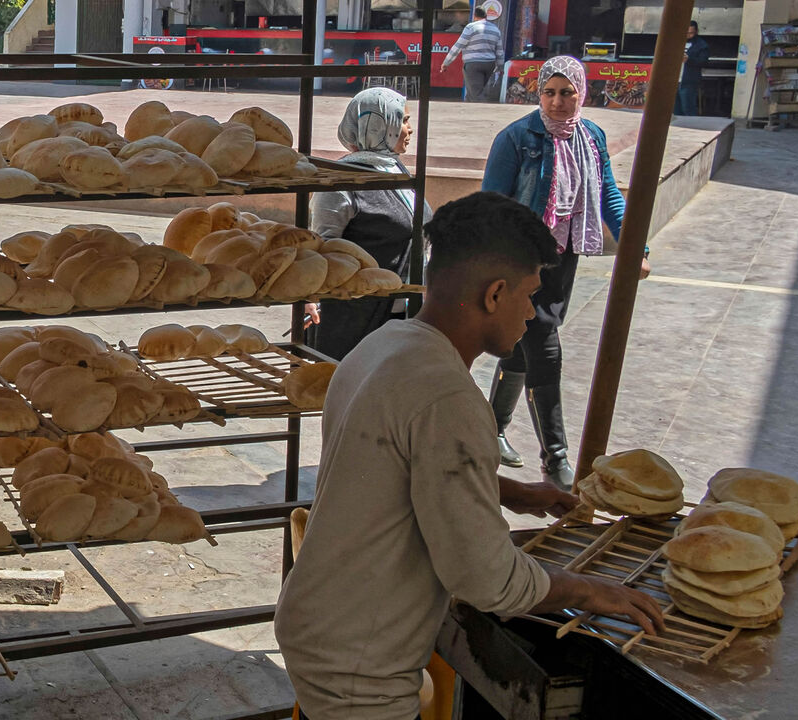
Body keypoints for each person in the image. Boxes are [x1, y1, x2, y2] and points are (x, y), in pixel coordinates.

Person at [275, 192, 664, 720]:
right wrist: (594, 593)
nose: (531, 311)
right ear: (495, 294)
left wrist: (511, 491)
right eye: (529, 294)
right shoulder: (449, 397)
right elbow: (487, 579)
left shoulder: (384, 344)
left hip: (319, 616)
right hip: (359, 662)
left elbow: (387, 464)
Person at [481, 55, 646, 489]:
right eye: (549, 92)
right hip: (521, 260)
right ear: (539, 95)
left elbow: (609, 193)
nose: (557, 102)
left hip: (563, 255)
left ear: (581, 93)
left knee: (523, 346)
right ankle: (555, 459)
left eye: (566, 92)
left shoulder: (591, 136)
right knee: (545, 348)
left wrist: (635, 247)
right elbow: (492, 205)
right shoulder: (517, 138)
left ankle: (491, 430)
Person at [303, 88, 432, 360]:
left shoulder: (396, 172)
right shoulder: (342, 183)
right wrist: (310, 298)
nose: (409, 129)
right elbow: (321, 247)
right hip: (354, 323)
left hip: (400, 315)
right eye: (402, 121)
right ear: (377, 125)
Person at [440, 7, 504, 102]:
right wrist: (501, 67)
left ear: (474, 16)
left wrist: (446, 63)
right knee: (472, 92)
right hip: (489, 64)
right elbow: (499, 51)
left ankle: (483, 114)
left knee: (476, 94)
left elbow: (458, 46)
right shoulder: (495, 29)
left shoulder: (471, 27)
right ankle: (466, 113)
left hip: (473, 64)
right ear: (486, 16)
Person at [675, 21, 710, 116]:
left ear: (696, 32)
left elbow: (704, 61)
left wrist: (689, 60)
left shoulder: (701, 45)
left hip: (688, 81)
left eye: (691, 33)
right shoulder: (676, 42)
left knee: (688, 108)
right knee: (675, 109)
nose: (688, 35)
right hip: (674, 81)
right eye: (686, 33)